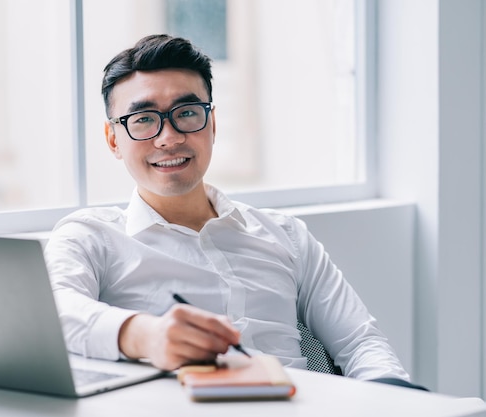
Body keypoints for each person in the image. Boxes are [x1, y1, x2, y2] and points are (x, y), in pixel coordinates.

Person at [44, 34, 410, 383]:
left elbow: (361, 342)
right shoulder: (91, 237)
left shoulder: (286, 235)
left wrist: (391, 396)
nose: (168, 137)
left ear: (212, 124)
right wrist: (146, 335)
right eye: (143, 120)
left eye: (187, 113)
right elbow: (52, 314)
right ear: (113, 140)